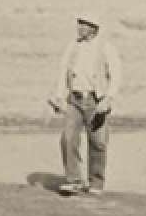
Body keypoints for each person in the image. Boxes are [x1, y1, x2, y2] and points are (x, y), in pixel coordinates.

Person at [48, 12, 122, 197]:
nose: (79, 28)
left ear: (93, 29)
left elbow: (116, 74)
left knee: (98, 142)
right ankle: (74, 180)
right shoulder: (72, 47)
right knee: (68, 138)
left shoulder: (106, 48)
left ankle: (96, 181)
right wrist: (58, 96)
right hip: (75, 99)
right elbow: (63, 71)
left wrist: (109, 98)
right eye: (79, 24)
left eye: (84, 24)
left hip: (96, 101)